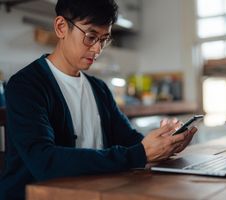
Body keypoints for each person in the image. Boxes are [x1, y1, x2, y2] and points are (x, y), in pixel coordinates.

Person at [0, 0, 197, 199]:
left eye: (104, 39)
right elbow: (45, 162)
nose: (98, 50)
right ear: (61, 27)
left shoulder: (98, 88)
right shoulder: (25, 86)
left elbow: (129, 140)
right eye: (91, 36)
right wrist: (141, 154)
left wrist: (165, 143)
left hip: (93, 192)